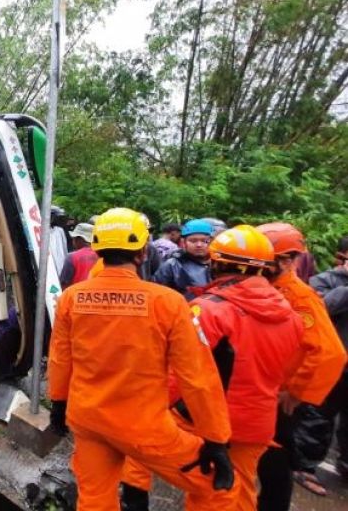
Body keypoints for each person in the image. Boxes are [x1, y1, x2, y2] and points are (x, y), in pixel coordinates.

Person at [48, 207, 235, 511]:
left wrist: (58, 403)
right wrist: (215, 438)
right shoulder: (168, 303)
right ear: (143, 251)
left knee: (94, 500)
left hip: (88, 420)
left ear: (97, 248)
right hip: (144, 428)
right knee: (219, 485)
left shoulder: (72, 298)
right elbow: (196, 376)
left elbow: (59, 358)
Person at [123, 225, 308, 511]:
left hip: (207, 423)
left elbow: (178, 374)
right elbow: (287, 369)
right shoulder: (290, 314)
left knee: (202, 488)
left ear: (218, 263)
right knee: (240, 489)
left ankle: (133, 500)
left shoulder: (207, 310)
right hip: (258, 423)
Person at [255, 223, 346, 508]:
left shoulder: (300, 297)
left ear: (286, 260)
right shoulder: (263, 288)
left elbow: (329, 352)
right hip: (258, 388)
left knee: (275, 460)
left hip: (280, 396)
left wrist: (295, 392)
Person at [300, 236, 348, 484]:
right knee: (318, 416)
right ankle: (304, 467)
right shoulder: (324, 280)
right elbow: (320, 310)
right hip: (332, 361)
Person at [153, 219, 213, 299]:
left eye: (205, 241)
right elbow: (157, 294)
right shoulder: (172, 265)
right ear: (183, 242)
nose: (199, 245)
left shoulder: (219, 264)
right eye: (193, 241)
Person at [58, 222, 97, 289]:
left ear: (80, 239)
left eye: (74, 238)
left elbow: (63, 284)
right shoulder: (102, 256)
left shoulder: (72, 257)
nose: (73, 241)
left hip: (76, 297)